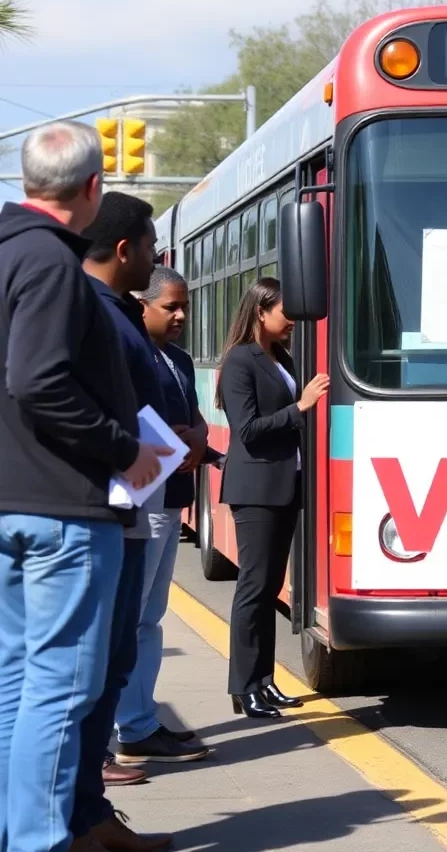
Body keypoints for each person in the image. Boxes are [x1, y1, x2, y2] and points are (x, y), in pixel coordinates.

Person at [0, 123, 166, 852]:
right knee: (62, 687)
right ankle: (41, 840)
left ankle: (19, 831)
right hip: (60, 505)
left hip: (12, 500)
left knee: (17, 683)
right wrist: (122, 448)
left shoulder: (10, 254)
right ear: (92, 190)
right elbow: (38, 381)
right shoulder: (49, 264)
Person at [74, 194, 176, 852]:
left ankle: (90, 812)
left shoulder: (110, 313)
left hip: (128, 498)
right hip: (108, 502)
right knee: (93, 667)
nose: (152, 257)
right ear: (123, 250)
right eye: (148, 247)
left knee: (112, 662)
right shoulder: (99, 314)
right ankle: (81, 818)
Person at [216, 278, 329, 719]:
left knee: (267, 590)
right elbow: (247, 430)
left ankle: (263, 681)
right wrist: (299, 408)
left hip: (284, 485)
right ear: (261, 312)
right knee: (254, 589)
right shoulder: (240, 361)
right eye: (285, 313)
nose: (292, 323)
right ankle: (243, 687)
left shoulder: (280, 356)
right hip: (256, 489)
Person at [113, 266, 211, 767]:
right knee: (129, 618)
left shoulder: (179, 359)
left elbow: (193, 416)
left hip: (172, 495)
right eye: (170, 307)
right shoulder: (130, 353)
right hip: (141, 494)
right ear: (143, 305)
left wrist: (197, 437)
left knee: (151, 616)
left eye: (185, 307)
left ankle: (140, 720)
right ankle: (130, 724)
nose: (180, 316)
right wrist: (174, 437)